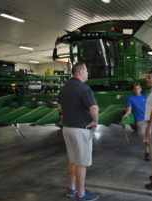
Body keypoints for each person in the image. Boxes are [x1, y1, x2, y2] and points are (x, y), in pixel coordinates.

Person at [58, 62, 99, 201]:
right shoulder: (84, 88)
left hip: (67, 128)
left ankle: (71, 188)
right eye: (86, 70)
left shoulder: (64, 88)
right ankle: (81, 194)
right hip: (80, 130)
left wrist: (70, 115)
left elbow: (60, 105)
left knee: (72, 160)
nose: (88, 73)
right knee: (81, 163)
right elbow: (94, 108)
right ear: (80, 72)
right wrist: (95, 121)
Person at [121, 83, 149, 161]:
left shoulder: (145, 97)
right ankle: (151, 150)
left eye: (138, 88)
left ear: (141, 89)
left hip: (148, 119)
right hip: (140, 120)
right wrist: (126, 115)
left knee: (149, 137)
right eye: (135, 89)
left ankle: (147, 154)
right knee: (144, 137)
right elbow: (129, 109)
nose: (137, 90)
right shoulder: (131, 98)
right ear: (134, 90)